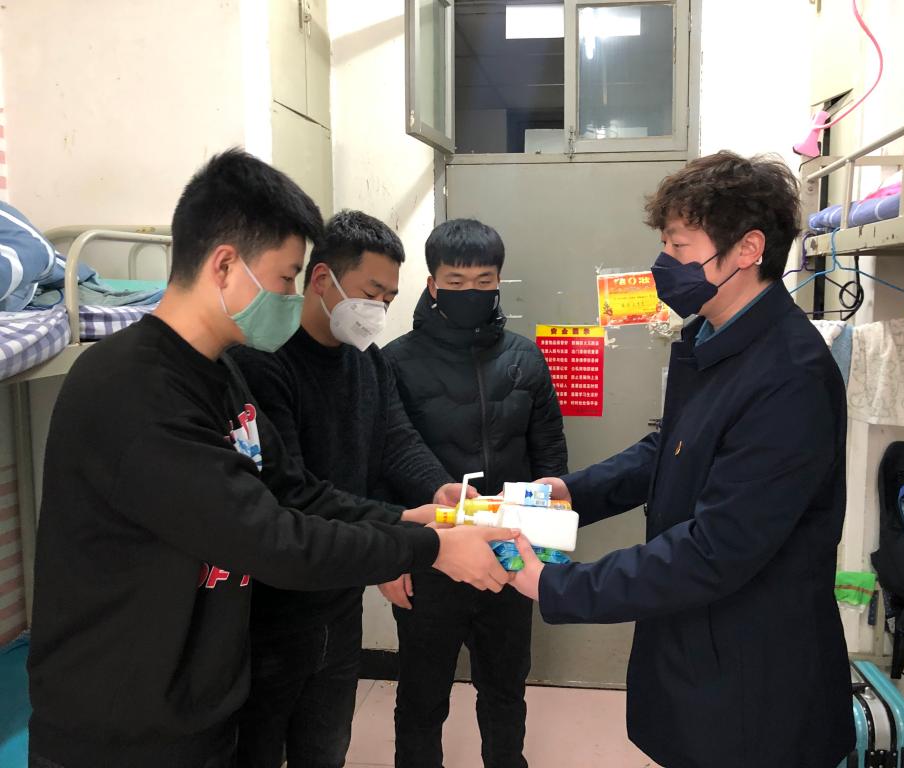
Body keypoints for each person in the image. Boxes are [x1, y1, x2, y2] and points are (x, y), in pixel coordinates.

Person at [27, 150, 511, 768]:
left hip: (200, 703)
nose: (290, 296)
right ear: (225, 265)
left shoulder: (222, 376)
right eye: (285, 279)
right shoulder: (131, 388)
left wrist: (413, 518)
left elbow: (294, 489)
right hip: (121, 729)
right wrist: (433, 548)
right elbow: (273, 538)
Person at [508, 152, 856, 768]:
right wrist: (570, 492)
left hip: (754, 670)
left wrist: (557, 584)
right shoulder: (711, 338)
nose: (664, 263)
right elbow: (670, 448)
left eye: (679, 245)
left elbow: (716, 549)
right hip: (699, 638)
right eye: (664, 243)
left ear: (748, 249)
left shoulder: (788, 375)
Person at [229, 210, 467, 768]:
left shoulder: (367, 362)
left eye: (389, 298)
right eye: (370, 292)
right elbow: (294, 493)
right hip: (271, 608)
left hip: (339, 596)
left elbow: (396, 439)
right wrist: (404, 528)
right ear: (321, 278)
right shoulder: (261, 363)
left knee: (326, 745)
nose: (378, 310)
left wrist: (439, 488)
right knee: (255, 748)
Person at [383, 219, 568, 768]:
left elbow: (550, 457)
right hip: (429, 553)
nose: (471, 292)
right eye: (456, 282)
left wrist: (547, 543)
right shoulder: (393, 362)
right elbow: (381, 464)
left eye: (483, 281)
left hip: (511, 551)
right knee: (422, 696)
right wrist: (387, 557)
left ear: (498, 282)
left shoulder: (525, 358)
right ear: (432, 284)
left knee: (506, 688)